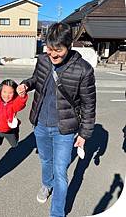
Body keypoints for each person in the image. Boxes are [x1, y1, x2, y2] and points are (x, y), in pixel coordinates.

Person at [17, 22, 96, 217]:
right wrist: (26, 84)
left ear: (69, 46)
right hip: (41, 124)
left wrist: (84, 134)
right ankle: (46, 184)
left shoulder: (83, 70)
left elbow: (89, 105)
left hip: (65, 129)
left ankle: (57, 212)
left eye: (58, 50)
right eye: (49, 49)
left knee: (61, 171)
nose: (52, 55)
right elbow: (37, 79)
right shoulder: (43, 60)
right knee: (45, 160)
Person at [0, 62, 28, 148]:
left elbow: (20, 104)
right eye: (4, 92)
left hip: (9, 129)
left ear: (14, 93)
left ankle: (16, 127)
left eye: (10, 93)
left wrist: (22, 96)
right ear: (0, 91)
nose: (7, 95)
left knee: (14, 145)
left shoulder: (13, 104)